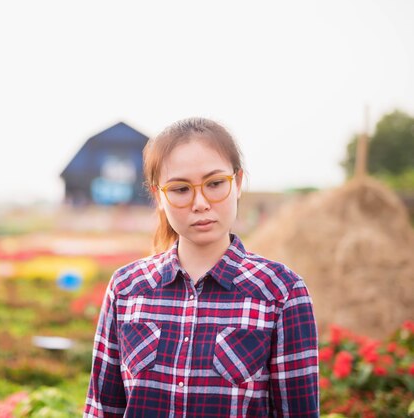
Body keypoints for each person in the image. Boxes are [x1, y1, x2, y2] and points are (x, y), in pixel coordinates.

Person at [84, 117, 319, 417]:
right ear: (159, 196)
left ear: (238, 182)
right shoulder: (127, 288)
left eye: (215, 184)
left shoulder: (282, 291)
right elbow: (102, 409)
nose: (200, 203)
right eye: (181, 189)